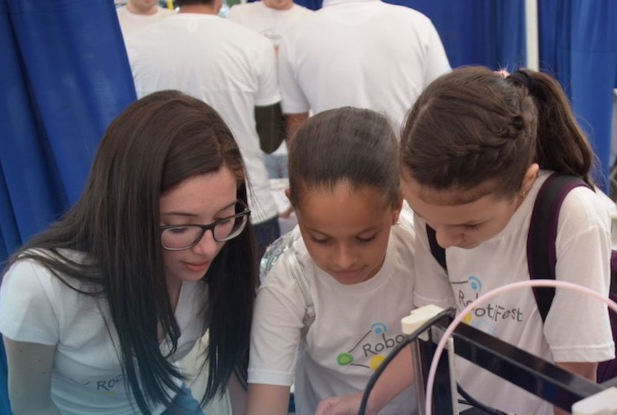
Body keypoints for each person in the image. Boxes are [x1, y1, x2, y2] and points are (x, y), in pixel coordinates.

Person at [315, 67, 614, 415]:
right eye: (429, 220)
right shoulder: (439, 217)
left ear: (525, 182)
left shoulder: (571, 216)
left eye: (469, 225)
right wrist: (368, 401)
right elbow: (431, 329)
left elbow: (577, 373)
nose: (446, 239)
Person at [0, 91, 257, 415]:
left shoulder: (221, 265)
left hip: (163, 407)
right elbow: (31, 407)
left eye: (224, 218)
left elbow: (245, 395)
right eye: (180, 226)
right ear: (125, 210)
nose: (207, 248)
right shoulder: (40, 284)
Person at [220, 107, 422, 415]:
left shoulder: (422, 245)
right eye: (321, 238)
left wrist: (372, 400)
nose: (344, 259)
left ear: (397, 206)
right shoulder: (288, 281)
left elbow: (438, 337)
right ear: (292, 208)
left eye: (365, 237)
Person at [126, 0, 285, 254]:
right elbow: (270, 139)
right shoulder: (255, 45)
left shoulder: (133, 46)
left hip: (163, 209)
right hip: (243, 204)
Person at [276, 0, 450, 137]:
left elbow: (296, 123)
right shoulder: (418, 25)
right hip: (404, 163)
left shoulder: (294, 36)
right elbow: (444, 105)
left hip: (332, 165)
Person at [226, 0, 314, 181]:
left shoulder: (311, 20)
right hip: (251, 138)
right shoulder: (239, 14)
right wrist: (284, 56)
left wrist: (265, 55)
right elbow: (232, 66)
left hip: (300, 134)